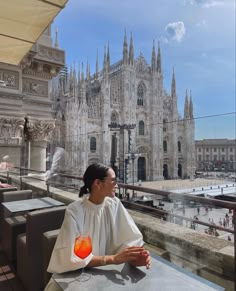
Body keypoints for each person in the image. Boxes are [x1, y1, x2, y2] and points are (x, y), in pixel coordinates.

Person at [45, 163, 151, 291]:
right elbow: (72, 257)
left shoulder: (114, 204)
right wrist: (113, 259)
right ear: (98, 183)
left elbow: (129, 239)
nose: (116, 185)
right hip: (76, 274)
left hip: (106, 274)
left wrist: (137, 257)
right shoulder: (74, 211)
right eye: (113, 180)